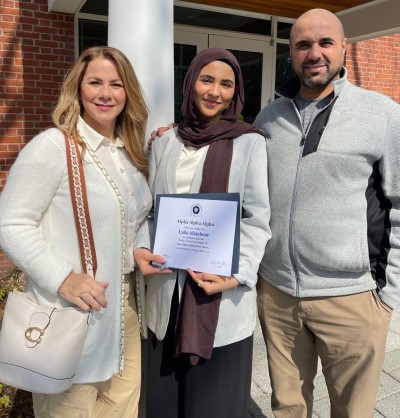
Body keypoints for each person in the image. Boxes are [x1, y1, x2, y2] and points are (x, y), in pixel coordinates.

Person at [254, 8, 400, 418]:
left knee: (352, 412)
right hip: (279, 294)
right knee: (287, 407)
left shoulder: (382, 114)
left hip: (352, 298)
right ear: (290, 52)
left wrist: (386, 297)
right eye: (303, 44)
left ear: (343, 48)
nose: (314, 53)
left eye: (324, 43)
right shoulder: (269, 118)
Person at [0, 46, 156, 417]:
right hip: (71, 317)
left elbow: (136, 220)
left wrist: (139, 248)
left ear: (128, 92)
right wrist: (63, 278)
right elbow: (10, 223)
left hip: (126, 317)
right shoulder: (52, 147)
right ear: (78, 88)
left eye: (116, 84)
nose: (106, 93)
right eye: (95, 82)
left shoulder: (128, 154)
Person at [134, 48, 271, 418]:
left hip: (219, 296)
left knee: (213, 407)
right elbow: (148, 211)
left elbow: (257, 219)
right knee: (163, 405)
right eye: (206, 79)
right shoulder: (164, 141)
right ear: (190, 82)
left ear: (236, 91)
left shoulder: (249, 143)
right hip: (167, 295)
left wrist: (236, 273)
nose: (215, 91)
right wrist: (141, 248)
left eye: (226, 84)